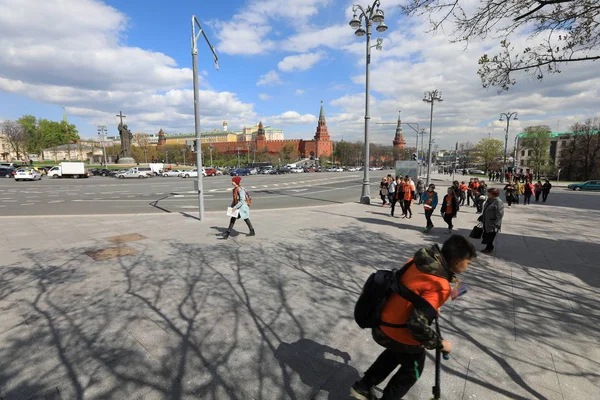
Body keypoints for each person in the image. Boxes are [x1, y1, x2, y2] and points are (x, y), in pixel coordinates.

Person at [350, 235, 477, 400]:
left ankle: (363, 386)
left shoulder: (417, 261)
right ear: (457, 261)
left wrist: (428, 307)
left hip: (382, 323)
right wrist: (439, 343)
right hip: (398, 331)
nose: (468, 267)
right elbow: (417, 325)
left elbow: (409, 290)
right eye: (468, 263)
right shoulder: (440, 286)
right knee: (413, 368)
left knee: (395, 353)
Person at [478, 188, 504, 254]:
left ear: (494, 194)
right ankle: (489, 247)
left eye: (489, 193)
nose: (487, 194)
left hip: (492, 224)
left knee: (489, 237)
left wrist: (496, 224)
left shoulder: (498, 202)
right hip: (486, 222)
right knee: (486, 235)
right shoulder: (489, 200)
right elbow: (486, 209)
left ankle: (489, 248)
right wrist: (482, 217)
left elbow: (500, 214)